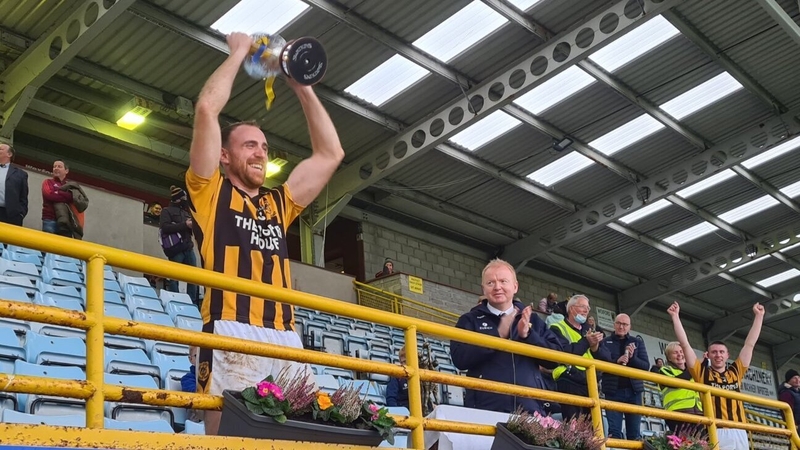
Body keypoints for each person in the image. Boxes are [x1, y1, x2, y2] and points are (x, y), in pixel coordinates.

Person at [187, 32, 344, 435]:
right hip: (228, 324)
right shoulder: (210, 190)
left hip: (284, 335)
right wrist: (239, 53)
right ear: (224, 155)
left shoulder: (279, 203)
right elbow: (206, 108)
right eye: (249, 145)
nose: (259, 153)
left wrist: (302, 87)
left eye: (264, 147)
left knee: (302, 438)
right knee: (230, 437)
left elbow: (331, 155)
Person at [450, 259, 567, 414]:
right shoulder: (469, 320)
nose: (497, 287)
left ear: (515, 286)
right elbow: (460, 359)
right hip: (484, 409)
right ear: (483, 289)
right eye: (491, 283)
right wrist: (497, 336)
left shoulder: (532, 320)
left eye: (503, 281)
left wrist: (528, 335)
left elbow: (555, 359)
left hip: (529, 409)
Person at [669, 301, 765, 450]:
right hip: (716, 429)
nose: (718, 355)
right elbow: (685, 344)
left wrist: (759, 316)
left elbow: (750, 344)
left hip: (739, 430)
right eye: (714, 352)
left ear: (728, 355)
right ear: (708, 355)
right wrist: (675, 317)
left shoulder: (736, 371)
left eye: (721, 352)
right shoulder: (702, 373)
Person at [549, 294, 610, 420]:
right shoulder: (557, 328)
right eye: (582, 306)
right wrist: (586, 342)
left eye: (588, 308)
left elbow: (607, 358)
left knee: (593, 430)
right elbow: (564, 352)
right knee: (573, 428)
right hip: (569, 381)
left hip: (590, 383)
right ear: (571, 309)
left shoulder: (590, 331)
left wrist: (595, 348)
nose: (586, 310)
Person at [601, 313, 649, 441]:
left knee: (634, 434)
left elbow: (645, 366)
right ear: (614, 324)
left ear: (629, 327)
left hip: (634, 393)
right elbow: (601, 364)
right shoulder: (605, 342)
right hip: (613, 392)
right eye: (619, 323)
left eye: (625, 324)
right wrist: (617, 361)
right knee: (614, 432)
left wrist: (632, 358)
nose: (621, 326)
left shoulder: (637, 342)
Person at [159, 186, 199, 306]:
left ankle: (192, 303)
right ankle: (174, 301)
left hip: (188, 248)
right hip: (176, 249)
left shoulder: (187, 212)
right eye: (183, 197)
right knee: (174, 277)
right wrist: (185, 224)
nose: (185, 199)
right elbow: (165, 227)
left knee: (194, 277)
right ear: (177, 199)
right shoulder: (166, 211)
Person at [657, 341, 704, 435]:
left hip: (698, 414)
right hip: (677, 415)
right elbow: (677, 382)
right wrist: (694, 367)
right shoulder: (664, 370)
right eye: (675, 353)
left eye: (681, 352)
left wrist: (704, 363)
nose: (679, 355)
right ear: (669, 357)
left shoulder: (693, 372)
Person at [42, 160, 87, 238]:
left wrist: (58, 192)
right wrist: (66, 196)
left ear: (66, 171)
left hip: (67, 223)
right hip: (50, 220)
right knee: (46, 247)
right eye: (54, 166)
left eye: (59, 166)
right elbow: (49, 195)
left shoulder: (71, 185)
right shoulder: (47, 182)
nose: (56, 168)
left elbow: (74, 198)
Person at [0, 143, 28, 226]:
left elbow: (23, 197)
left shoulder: (21, 174)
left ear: (9, 154)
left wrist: (20, 214)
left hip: (10, 215)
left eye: (1, 149)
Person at [778, 369, 800, 433]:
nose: (797, 380)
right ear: (788, 380)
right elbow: (787, 413)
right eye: (794, 378)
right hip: (796, 428)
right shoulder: (785, 394)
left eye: (798, 378)